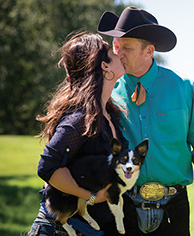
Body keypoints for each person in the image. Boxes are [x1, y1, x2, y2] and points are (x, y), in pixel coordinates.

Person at [97, 6, 194, 235]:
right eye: (116, 46)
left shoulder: (183, 88)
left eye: (126, 48)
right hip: (122, 205)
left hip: (174, 208)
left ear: (149, 51)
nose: (118, 53)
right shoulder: (107, 92)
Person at [28, 32, 127, 235]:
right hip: (60, 229)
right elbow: (47, 166)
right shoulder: (80, 118)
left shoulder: (109, 114)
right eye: (112, 51)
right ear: (104, 65)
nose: (119, 54)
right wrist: (90, 197)